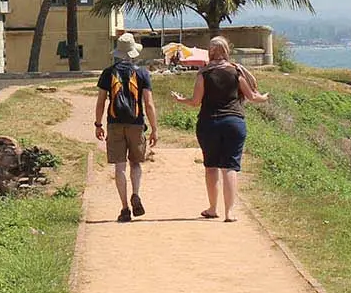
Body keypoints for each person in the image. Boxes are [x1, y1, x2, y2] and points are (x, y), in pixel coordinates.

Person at [173, 36, 269, 222]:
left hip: (209, 123)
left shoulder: (204, 74)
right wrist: (264, 98)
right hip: (234, 122)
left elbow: (195, 102)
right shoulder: (236, 71)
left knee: (211, 167)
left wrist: (180, 99)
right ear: (226, 51)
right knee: (230, 168)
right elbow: (251, 96)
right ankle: (229, 212)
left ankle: (212, 208)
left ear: (210, 51)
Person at [94, 32, 159, 223]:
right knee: (136, 163)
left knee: (119, 167)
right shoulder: (142, 73)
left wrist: (98, 124)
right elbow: (148, 103)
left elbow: (100, 102)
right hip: (136, 124)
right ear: (133, 52)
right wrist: (154, 128)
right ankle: (136, 193)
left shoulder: (108, 73)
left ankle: (124, 208)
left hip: (114, 124)